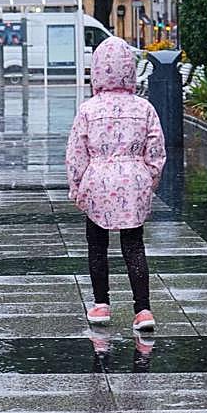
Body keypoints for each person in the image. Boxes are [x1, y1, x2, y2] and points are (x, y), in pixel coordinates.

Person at [66, 36, 166, 332]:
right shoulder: (144, 108)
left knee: (96, 245)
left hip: (97, 181)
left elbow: (76, 152)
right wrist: (149, 179)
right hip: (134, 181)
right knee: (134, 245)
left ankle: (101, 304)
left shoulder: (88, 109)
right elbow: (156, 151)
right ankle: (143, 309)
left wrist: (77, 186)